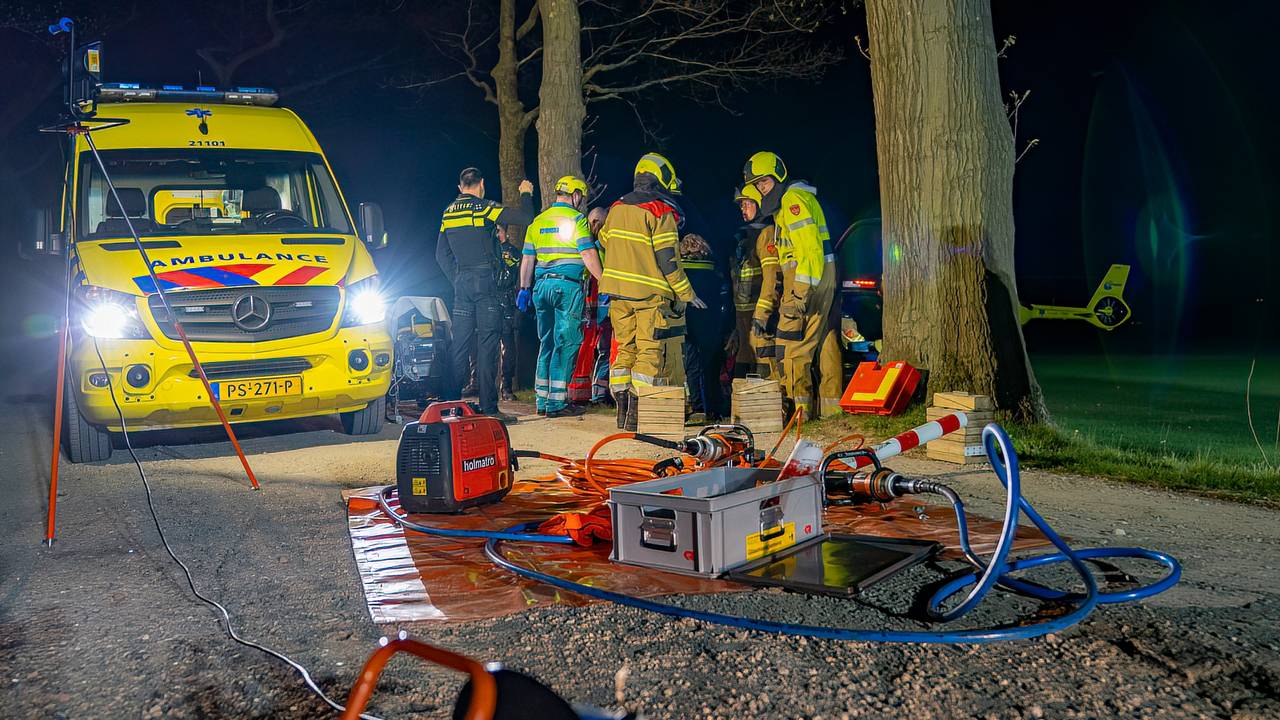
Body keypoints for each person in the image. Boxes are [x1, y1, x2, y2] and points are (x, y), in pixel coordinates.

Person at [599, 153, 706, 431]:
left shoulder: (617, 208)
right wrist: (687, 294)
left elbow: (604, 240)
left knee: (625, 351)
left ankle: (622, 412)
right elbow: (668, 259)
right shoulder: (660, 211)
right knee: (649, 352)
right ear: (661, 180)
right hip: (649, 295)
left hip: (617, 295)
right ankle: (636, 413)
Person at [743, 151, 837, 420]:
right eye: (758, 185)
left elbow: (809, 252)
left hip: (806, 285)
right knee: (800, 348)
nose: (762, 190)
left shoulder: (793, 200)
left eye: (765, 183)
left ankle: (800, 416)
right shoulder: (786, 205)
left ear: (779, 177)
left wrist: (799, 295)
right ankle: (807, 414)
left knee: (792, 350)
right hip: (808, 283)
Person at [435, 167, 534, 421]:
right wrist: (525, 194)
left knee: (460, 346)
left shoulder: (447, 212)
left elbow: (440, 255)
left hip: (462, 285)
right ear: (481, 184)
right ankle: (489, 409)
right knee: (487, 345)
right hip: (486, 283)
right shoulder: (484, 207)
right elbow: (525, 217)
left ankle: (452, 407)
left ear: (460, 187)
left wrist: (456, 279)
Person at [516, 175, 602, 418]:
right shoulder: (577, 220)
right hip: (566, 288)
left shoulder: (538, 221)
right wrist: (604, 281)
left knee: (547, 343)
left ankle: (542, 400)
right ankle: (557, 403)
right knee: (566, 343)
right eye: (581, 197)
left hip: (540, 288)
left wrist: (524, 288)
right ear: (575, 194)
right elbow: (587, 254)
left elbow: (528, 259)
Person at [680, 233, 734, 421]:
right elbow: (725, 295)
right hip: (710, 321)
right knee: (711, 367)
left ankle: (697, 406)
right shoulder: (713, 267)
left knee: (691, 365)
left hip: (687, 321)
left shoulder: (681, 268)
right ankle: (715, 407)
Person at [731, 184, 783, 379]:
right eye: (741, 206)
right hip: (743, 317)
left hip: (760, 318)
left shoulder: (767, 233)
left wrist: (762, 314)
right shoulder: (744, 236)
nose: (743, 210)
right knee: (743, 369)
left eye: (747, 204)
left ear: (759, 204)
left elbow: (772, 277)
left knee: (764, 366)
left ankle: (774, 408)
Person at [586, 207, 612, 404]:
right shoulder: (602, 244)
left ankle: (600, 393)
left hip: (601, 304)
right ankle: (600, 393)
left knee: (605, 350)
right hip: (606, 303)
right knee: (606, 349)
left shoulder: (592, 245)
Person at [496, 224, 521, 400]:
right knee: (485, 344)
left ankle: (507, 387)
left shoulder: (513, 251)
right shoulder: (488, 250)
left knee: (508, 346)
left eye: (499, 231)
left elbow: (517, 272)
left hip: (508, 302)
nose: (496, 234)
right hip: (490, 300)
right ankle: (480, 383)